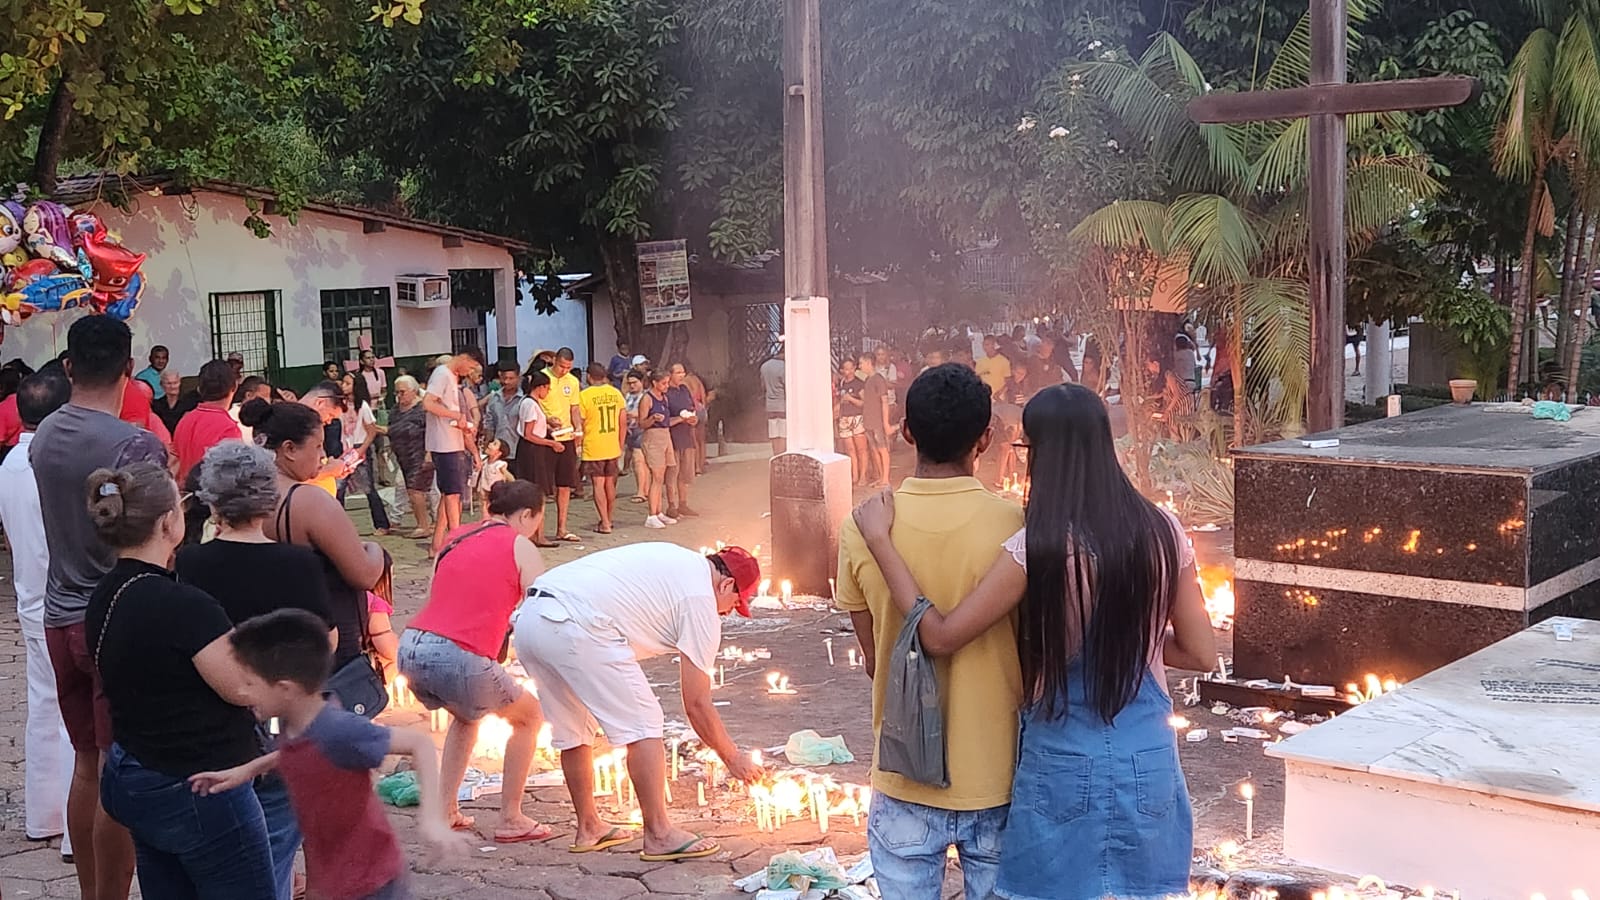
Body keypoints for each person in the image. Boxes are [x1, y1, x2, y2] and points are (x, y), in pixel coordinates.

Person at [852, 383, 1216, 900]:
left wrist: (882, 544)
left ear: (1042, 453)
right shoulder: (1166, 530)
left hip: (1065, 762)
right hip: (1150, 757)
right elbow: (1201, 652)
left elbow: (938, 636)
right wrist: (1129, 641)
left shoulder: (1041, 546)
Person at [834, 363, 1024, 900]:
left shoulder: (865, 525)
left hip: (903, 773)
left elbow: (874, 659)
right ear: (986, 439)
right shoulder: (1016, 527)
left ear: (906, 430)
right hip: (997, 775)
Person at [85, 462, 278, 898]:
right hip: (197, 784)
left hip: (135, 768)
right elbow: (243, 687)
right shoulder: (182, 605)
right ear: (168, 520)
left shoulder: (107, 591)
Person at [511, 544, 765, 861]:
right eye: (734, 603)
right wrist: (732, 757)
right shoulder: (701, 599)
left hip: (530, 620)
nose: (726, 612)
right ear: (726, 584)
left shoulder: (678, 558)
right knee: (644, 723)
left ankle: (589, 826)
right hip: (579, 624)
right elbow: (697, 703)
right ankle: (659, 833)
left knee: (574, 727)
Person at [32, 315, 166, 900]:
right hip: (114, 618)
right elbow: (160, 535)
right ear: (130, 370)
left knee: (87, 762)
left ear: (67, 368)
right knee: (121, 768)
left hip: (58, 615)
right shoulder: (133, 446)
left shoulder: (43, 437)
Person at [189, 609, 459, 900]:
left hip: (373, 883)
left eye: (250, 684)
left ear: (285, 689)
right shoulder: (295, 724)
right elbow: (300, 751)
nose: (242, 692)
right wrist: (247, 770)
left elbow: (419, 744)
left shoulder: (338, 730)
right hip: (335, 880)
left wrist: (433, 820)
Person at [176, 441, 334, 900]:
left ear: (212, 500)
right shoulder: (299, 562)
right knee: (280, 830)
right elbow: (326, 639)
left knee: (227, 835)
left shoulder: (190, 562)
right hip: (283, 707)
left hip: (217, 712)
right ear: (269, 498)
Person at [399, 480, 553, 842]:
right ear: (526, 515)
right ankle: (512, 818)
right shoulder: (520, 546)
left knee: (466, 716)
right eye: (536, 520)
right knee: (530, 717)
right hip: (457, 653)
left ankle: (445, 809)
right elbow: (540, 610)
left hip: (412, 645)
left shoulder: (456, 535)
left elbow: (438, 591)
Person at [247, 399, 388, 683]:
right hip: (323, 631)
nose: (322, 456)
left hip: (264, 630)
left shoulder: (243, 496)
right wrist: (375, 551)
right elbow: (362, 573)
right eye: (317, 447)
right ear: (288, 449)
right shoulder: (308, 501)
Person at [0, 372, 73, 857]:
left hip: (31, 597)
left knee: (46, 705)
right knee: (75, 713)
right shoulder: (46, 462)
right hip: (59, 599)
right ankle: (73, 828)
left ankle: (45, 813)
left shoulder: (10, 462)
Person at [424, 350, 483, 556]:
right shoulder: (442, 374)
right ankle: (455, 538)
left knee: (450, 493)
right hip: (444, 444)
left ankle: (438, 541)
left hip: (453, 440)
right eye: (470, 368)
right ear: (465, 359)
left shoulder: (453, 378)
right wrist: (455, 416)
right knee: (452, 494)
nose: (469, 373)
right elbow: (428, 403)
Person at [535, 348, 583, 541]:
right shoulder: (542, 377)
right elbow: (533, 403)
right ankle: (538, 530)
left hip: (567, 436)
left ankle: (562, 528)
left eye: (568, 367)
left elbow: (575, 408)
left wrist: (578, 429)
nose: (564, 370)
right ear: (554, 361)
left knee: (565, 484)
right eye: (562, 366)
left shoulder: (572, 381)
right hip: (546, 436)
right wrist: (547, 420)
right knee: (544, 486)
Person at [509, 371, 559, 548]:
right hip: (533, 450)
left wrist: (549, 424)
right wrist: (550, 443)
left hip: (530, 449)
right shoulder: (530, 404)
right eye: (547, 388)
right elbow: (529, 434)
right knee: (537, 493)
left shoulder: (528, 402)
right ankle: (538, 534)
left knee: (535, 492)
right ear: (541, 387)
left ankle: (535, 533)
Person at [174, 359, 243, 484]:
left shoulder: (185, 420)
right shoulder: (228, 428)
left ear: (199, 389)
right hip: (212, 498)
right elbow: (234, 477)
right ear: (235, 387)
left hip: (186, 496)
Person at [341, 372, 393, 536]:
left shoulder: (363, 407)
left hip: (359, 448)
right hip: (344, 449)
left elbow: (371, 432)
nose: (343, 386)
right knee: (339, 489)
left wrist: (360, 451)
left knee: (369, 488)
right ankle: (337, 525)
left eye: (347, 383)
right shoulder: (341, 405)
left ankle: (382, 524)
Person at [579, 362, 626, 533]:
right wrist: (620, 444)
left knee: (598, 485)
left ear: (589, 377)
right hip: (612, 445)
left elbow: (581, 423)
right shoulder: (616, 393)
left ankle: (605, 522)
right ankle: (609, 518)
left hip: (593, 446)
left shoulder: (584, 396)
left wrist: (579, 443)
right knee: (610, 484)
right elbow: (623, 422)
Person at [387, 375, 435, 539]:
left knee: (417, 490)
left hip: (420, 453)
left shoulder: (422, 409)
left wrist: (429, 454)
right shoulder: (395, 410)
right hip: (403, 456)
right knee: (411, 490)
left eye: (402, 392)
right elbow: (391, 428)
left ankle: (424, 526)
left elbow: (431, 432)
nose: (399, 396)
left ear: (413, 391)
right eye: (397, 393)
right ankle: (424, 522)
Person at [638, 370, 678, 529]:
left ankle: (659, 512)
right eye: (664, 383)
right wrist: (652, 418)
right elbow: (641, 424)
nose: (666, 386)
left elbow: (668, 420)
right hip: (653, 437)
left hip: (665, 436)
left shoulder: (665, 398)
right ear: (654, 383)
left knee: (663, 475)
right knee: (657, 476)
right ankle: (651, 515)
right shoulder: (647, 399)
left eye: (667, 383)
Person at [664, 363, 700, 516]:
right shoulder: (666, 393)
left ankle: (683, 503)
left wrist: (693, 419)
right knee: (673, 472)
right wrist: (680, 419)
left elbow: (692, 408)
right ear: (670, 374)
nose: (681, 375)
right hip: (672, 438)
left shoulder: (684, 389)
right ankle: (671, 505)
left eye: (683, 372)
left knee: (685, 474)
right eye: (678, 372)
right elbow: (665, 418)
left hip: (687, 436)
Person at [481, 362, 527, 465]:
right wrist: (487, 446)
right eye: (504, 378)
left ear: (518, 378)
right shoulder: (494, 398)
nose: (506, 382)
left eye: (511, 378)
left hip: (519, 452)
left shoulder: (524, 400)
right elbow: (489, 424)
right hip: (499, 452)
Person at [858, 352, 892, 488]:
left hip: (877, 420)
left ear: (868, 363)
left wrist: (886, 422)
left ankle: (885, 478)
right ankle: (880, 476)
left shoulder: (879, 379)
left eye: (861, 363)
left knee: (882, 448)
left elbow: (884, 402)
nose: (859, 366)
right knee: (874, 449)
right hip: (869, 419)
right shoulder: (867, 380)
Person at [835, 358, 867, 486]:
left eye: (850, 368)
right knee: (850, 449)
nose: (848, 371)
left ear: (854, 368)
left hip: (857, 417)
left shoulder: (859, 384)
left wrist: (851, 399)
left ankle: (863, 475)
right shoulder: (842, 383)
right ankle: (854, 475)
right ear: (842, 370)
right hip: (844, 418)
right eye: (845, 369)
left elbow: (864, 403)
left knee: (861, 449)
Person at [622, 372, 647, 497]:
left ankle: (641, 491)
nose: (632, 386)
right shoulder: (627, 396)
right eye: (630, 383)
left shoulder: (646, 396)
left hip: (641, 430)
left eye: (634, 382)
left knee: (638, 460)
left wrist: (633, 414)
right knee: (638, 461)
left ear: (642, 382)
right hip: (630, 430)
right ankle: (644, 489)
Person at [473, 438, 514, 511]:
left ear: (499, 453)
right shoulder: (485, 461)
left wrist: (514, 484)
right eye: (491, 442)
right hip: (484, 491)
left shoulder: (499, 464)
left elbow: (508, 475)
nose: (490, 444)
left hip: (495, 494)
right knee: (484, 509)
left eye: (494, 444)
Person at [760, 347, 786, 455]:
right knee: (784, 432)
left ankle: (776, 453)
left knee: (773, 431)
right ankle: (782, 453)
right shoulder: (784, 367)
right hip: (783, 404)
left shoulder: (764, 366)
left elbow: (762, 386)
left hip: (770, 405)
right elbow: (787, 386)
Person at [153, 369, 191, 435]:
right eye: (169, 383)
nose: (172, 387)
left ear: (180, 383)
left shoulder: (189, 403)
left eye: (175, 383)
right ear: (161, 385)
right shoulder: (156, 405)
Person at [975, 335, 1011, 399]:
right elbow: (977, 379)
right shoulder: (980, 361)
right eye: (983, 344)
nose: (984, 347)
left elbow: (1008, 382)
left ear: (994, 345)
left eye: (987, 344)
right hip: (983, 397)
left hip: (998, 398)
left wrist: (999, 393)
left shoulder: (1004, 361)